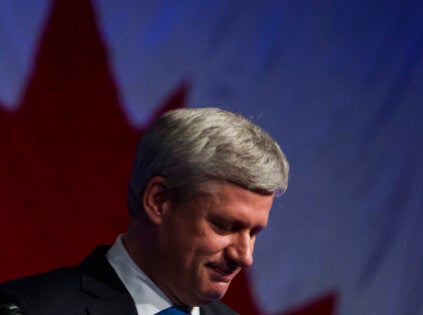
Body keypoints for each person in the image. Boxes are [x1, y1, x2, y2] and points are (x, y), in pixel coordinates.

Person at [0, 107, 289, 315]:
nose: (244, 256)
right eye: (225, 226)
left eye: (254, 233)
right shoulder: (30, 309)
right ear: (159, 201)